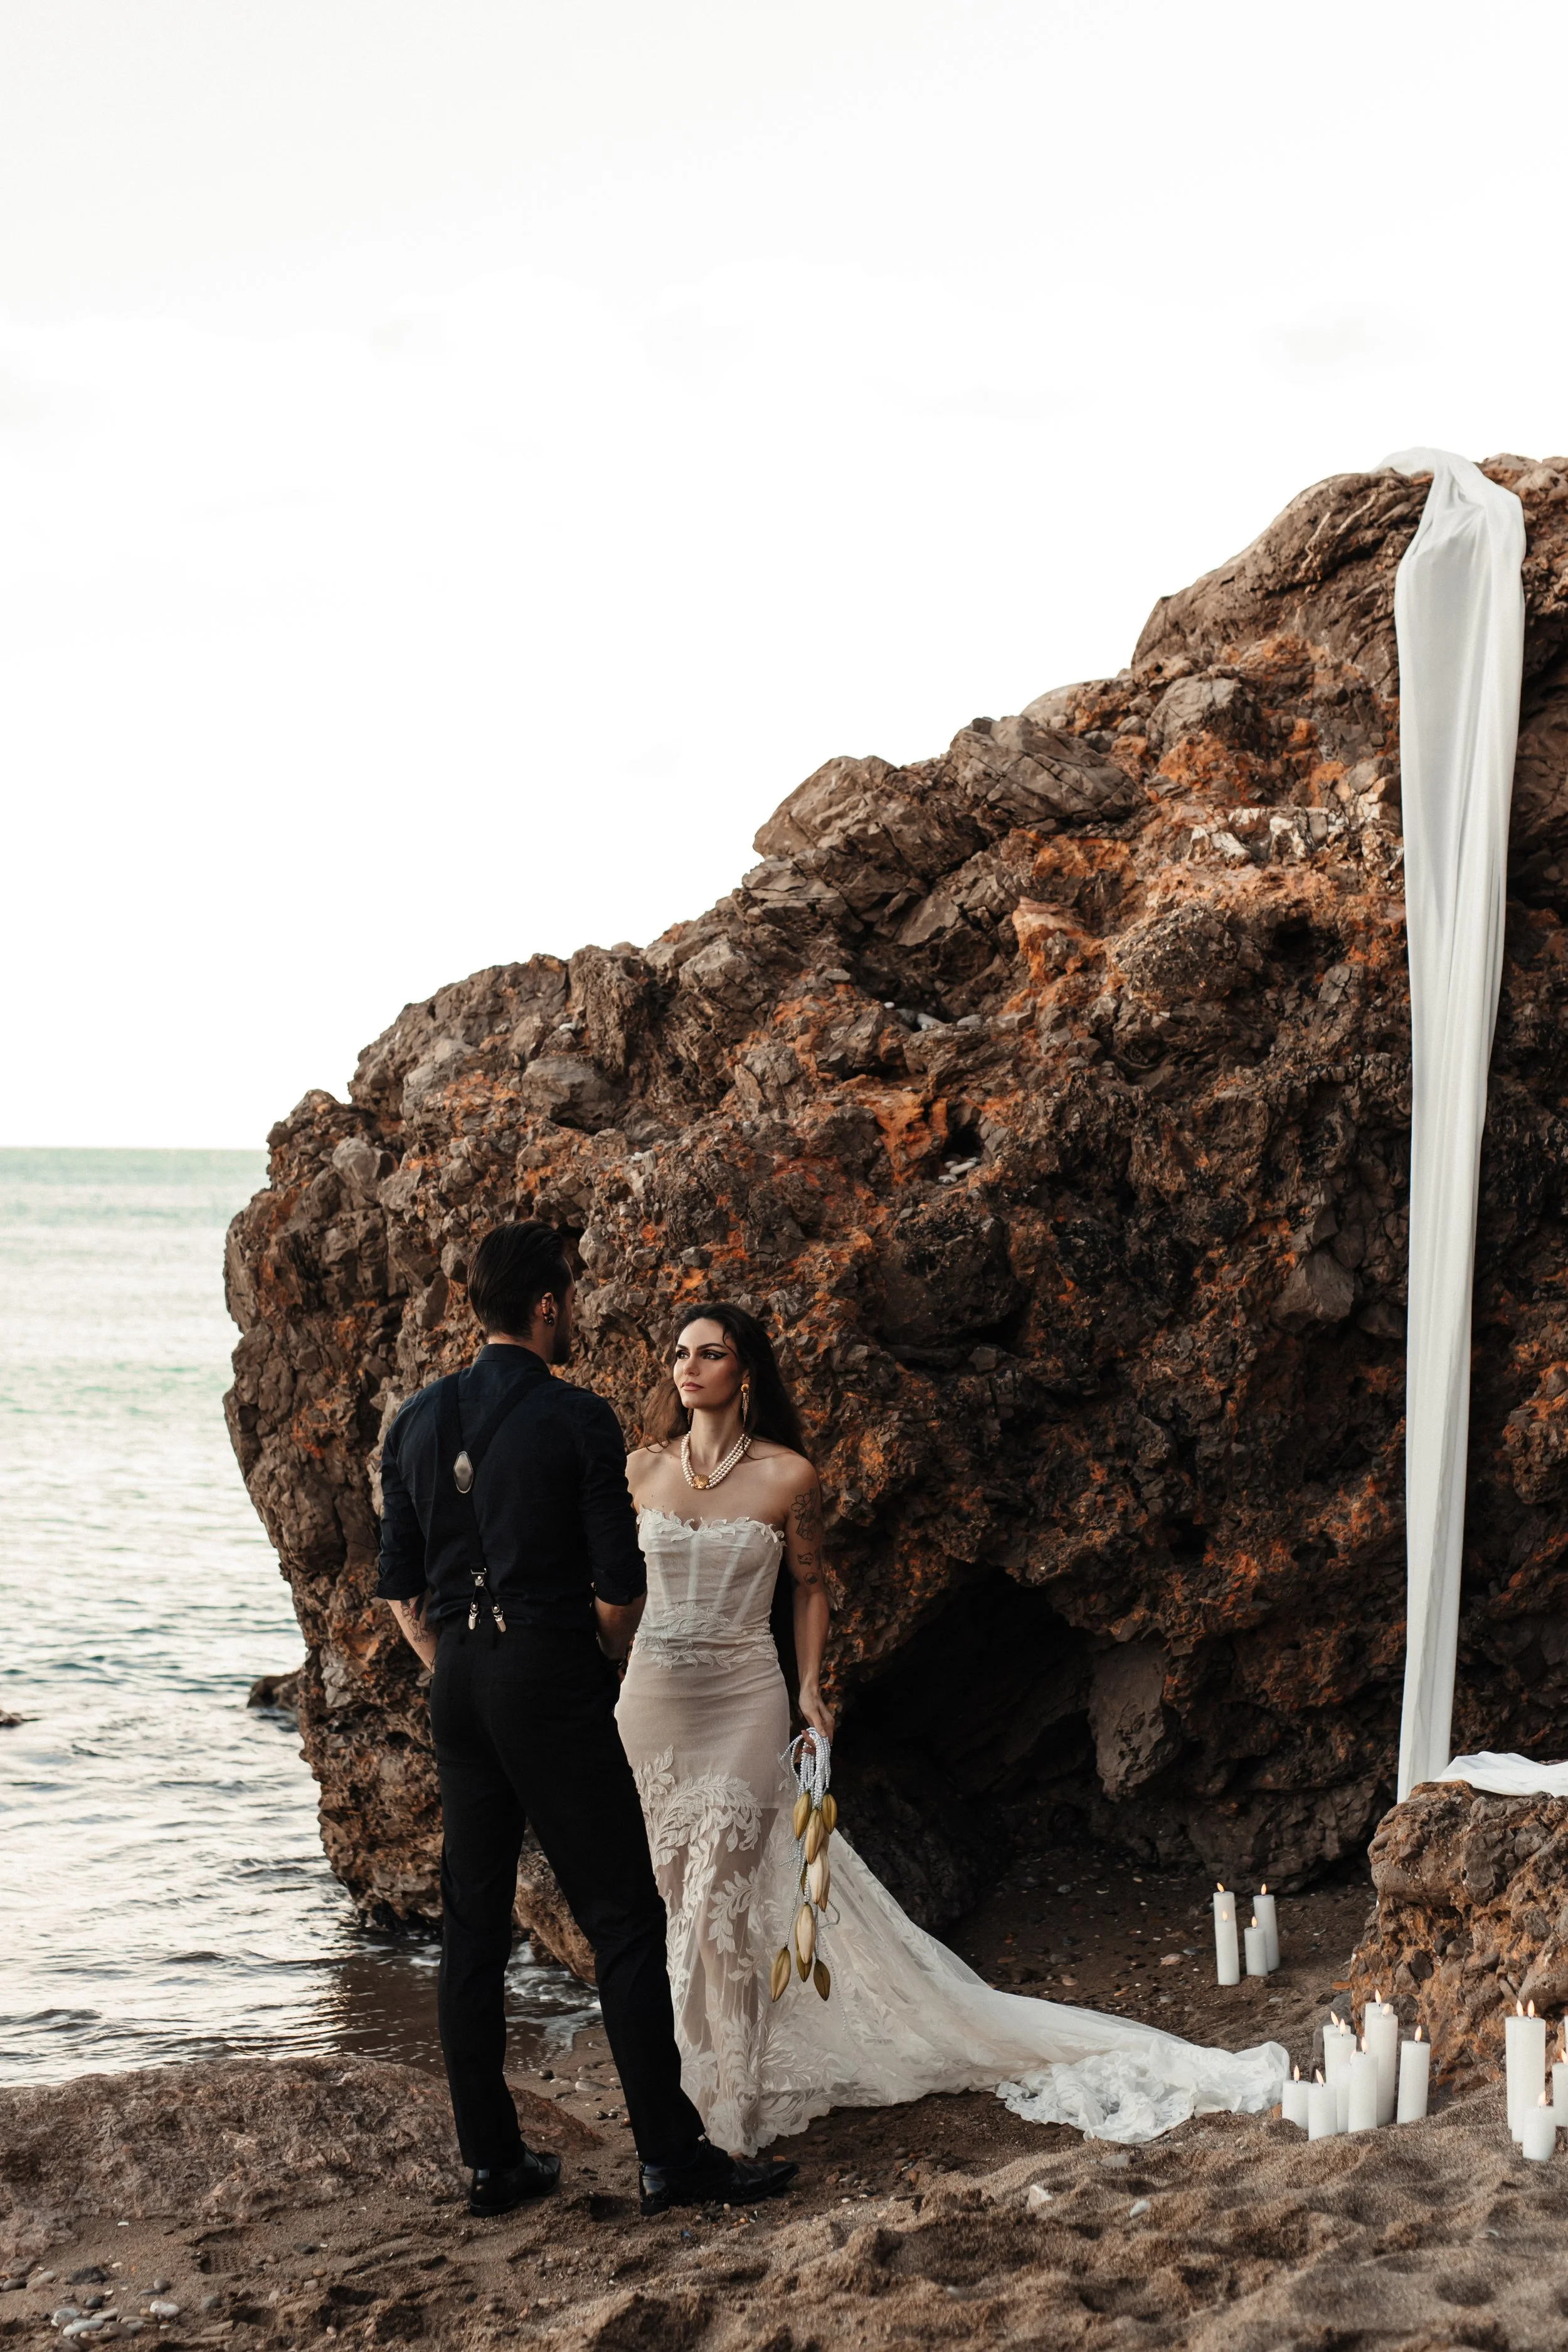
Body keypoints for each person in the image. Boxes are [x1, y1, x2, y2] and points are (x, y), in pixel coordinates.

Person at [618, 1301, 1288, 2155]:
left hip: (744, 1699)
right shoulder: (641, 1468)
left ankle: (728, 2116)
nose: (689, 1366)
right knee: (666, 1899)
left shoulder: (789, 1475)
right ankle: (673, 2087)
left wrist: (811, 1688)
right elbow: (617, 1593)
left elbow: (811, 1584)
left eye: (710, 1353)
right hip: (651, 1706)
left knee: (726, 1901)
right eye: (680, 1351)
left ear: (745, 1371)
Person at [377, 1221, 798, 2218]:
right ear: (549, 1305)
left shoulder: (417, 1418)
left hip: (460, 1685)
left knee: (471, 1924)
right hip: (547, 1676)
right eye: (570, 1288)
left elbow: (398, 1587)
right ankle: (670, 2156)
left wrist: (459, 1664)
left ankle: (493, 2163)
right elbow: (621, 1585)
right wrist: (583, 1658)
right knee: (622, 1913)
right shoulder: (577, 1417)